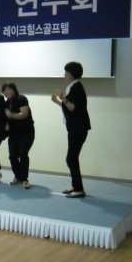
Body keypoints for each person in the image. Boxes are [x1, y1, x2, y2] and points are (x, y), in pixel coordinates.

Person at [51, 62, 91, 198]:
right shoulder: (73, 87)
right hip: (75, 128)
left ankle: (79, 189)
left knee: (71, 158)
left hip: (78, 128)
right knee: (71, 158)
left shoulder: (77, 87)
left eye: (66, 72)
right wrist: (58, 101)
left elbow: (74, 108)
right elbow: (69, 107)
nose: (64, 74)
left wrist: (62, 97)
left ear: (71, 74)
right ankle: (76, 186)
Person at [2, 82, 35, 189]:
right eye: (4, 90)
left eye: (8, 89)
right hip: (13, 134)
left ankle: (25, 179)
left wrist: (11, 115)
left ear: (14, 89)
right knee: (12, 156)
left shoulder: (21, 99)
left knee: (23, 153)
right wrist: (6, 124)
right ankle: (18, 176)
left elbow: (24, 114)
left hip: (27, 133)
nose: (6, 92)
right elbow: (6, 117)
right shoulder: (7, 103)